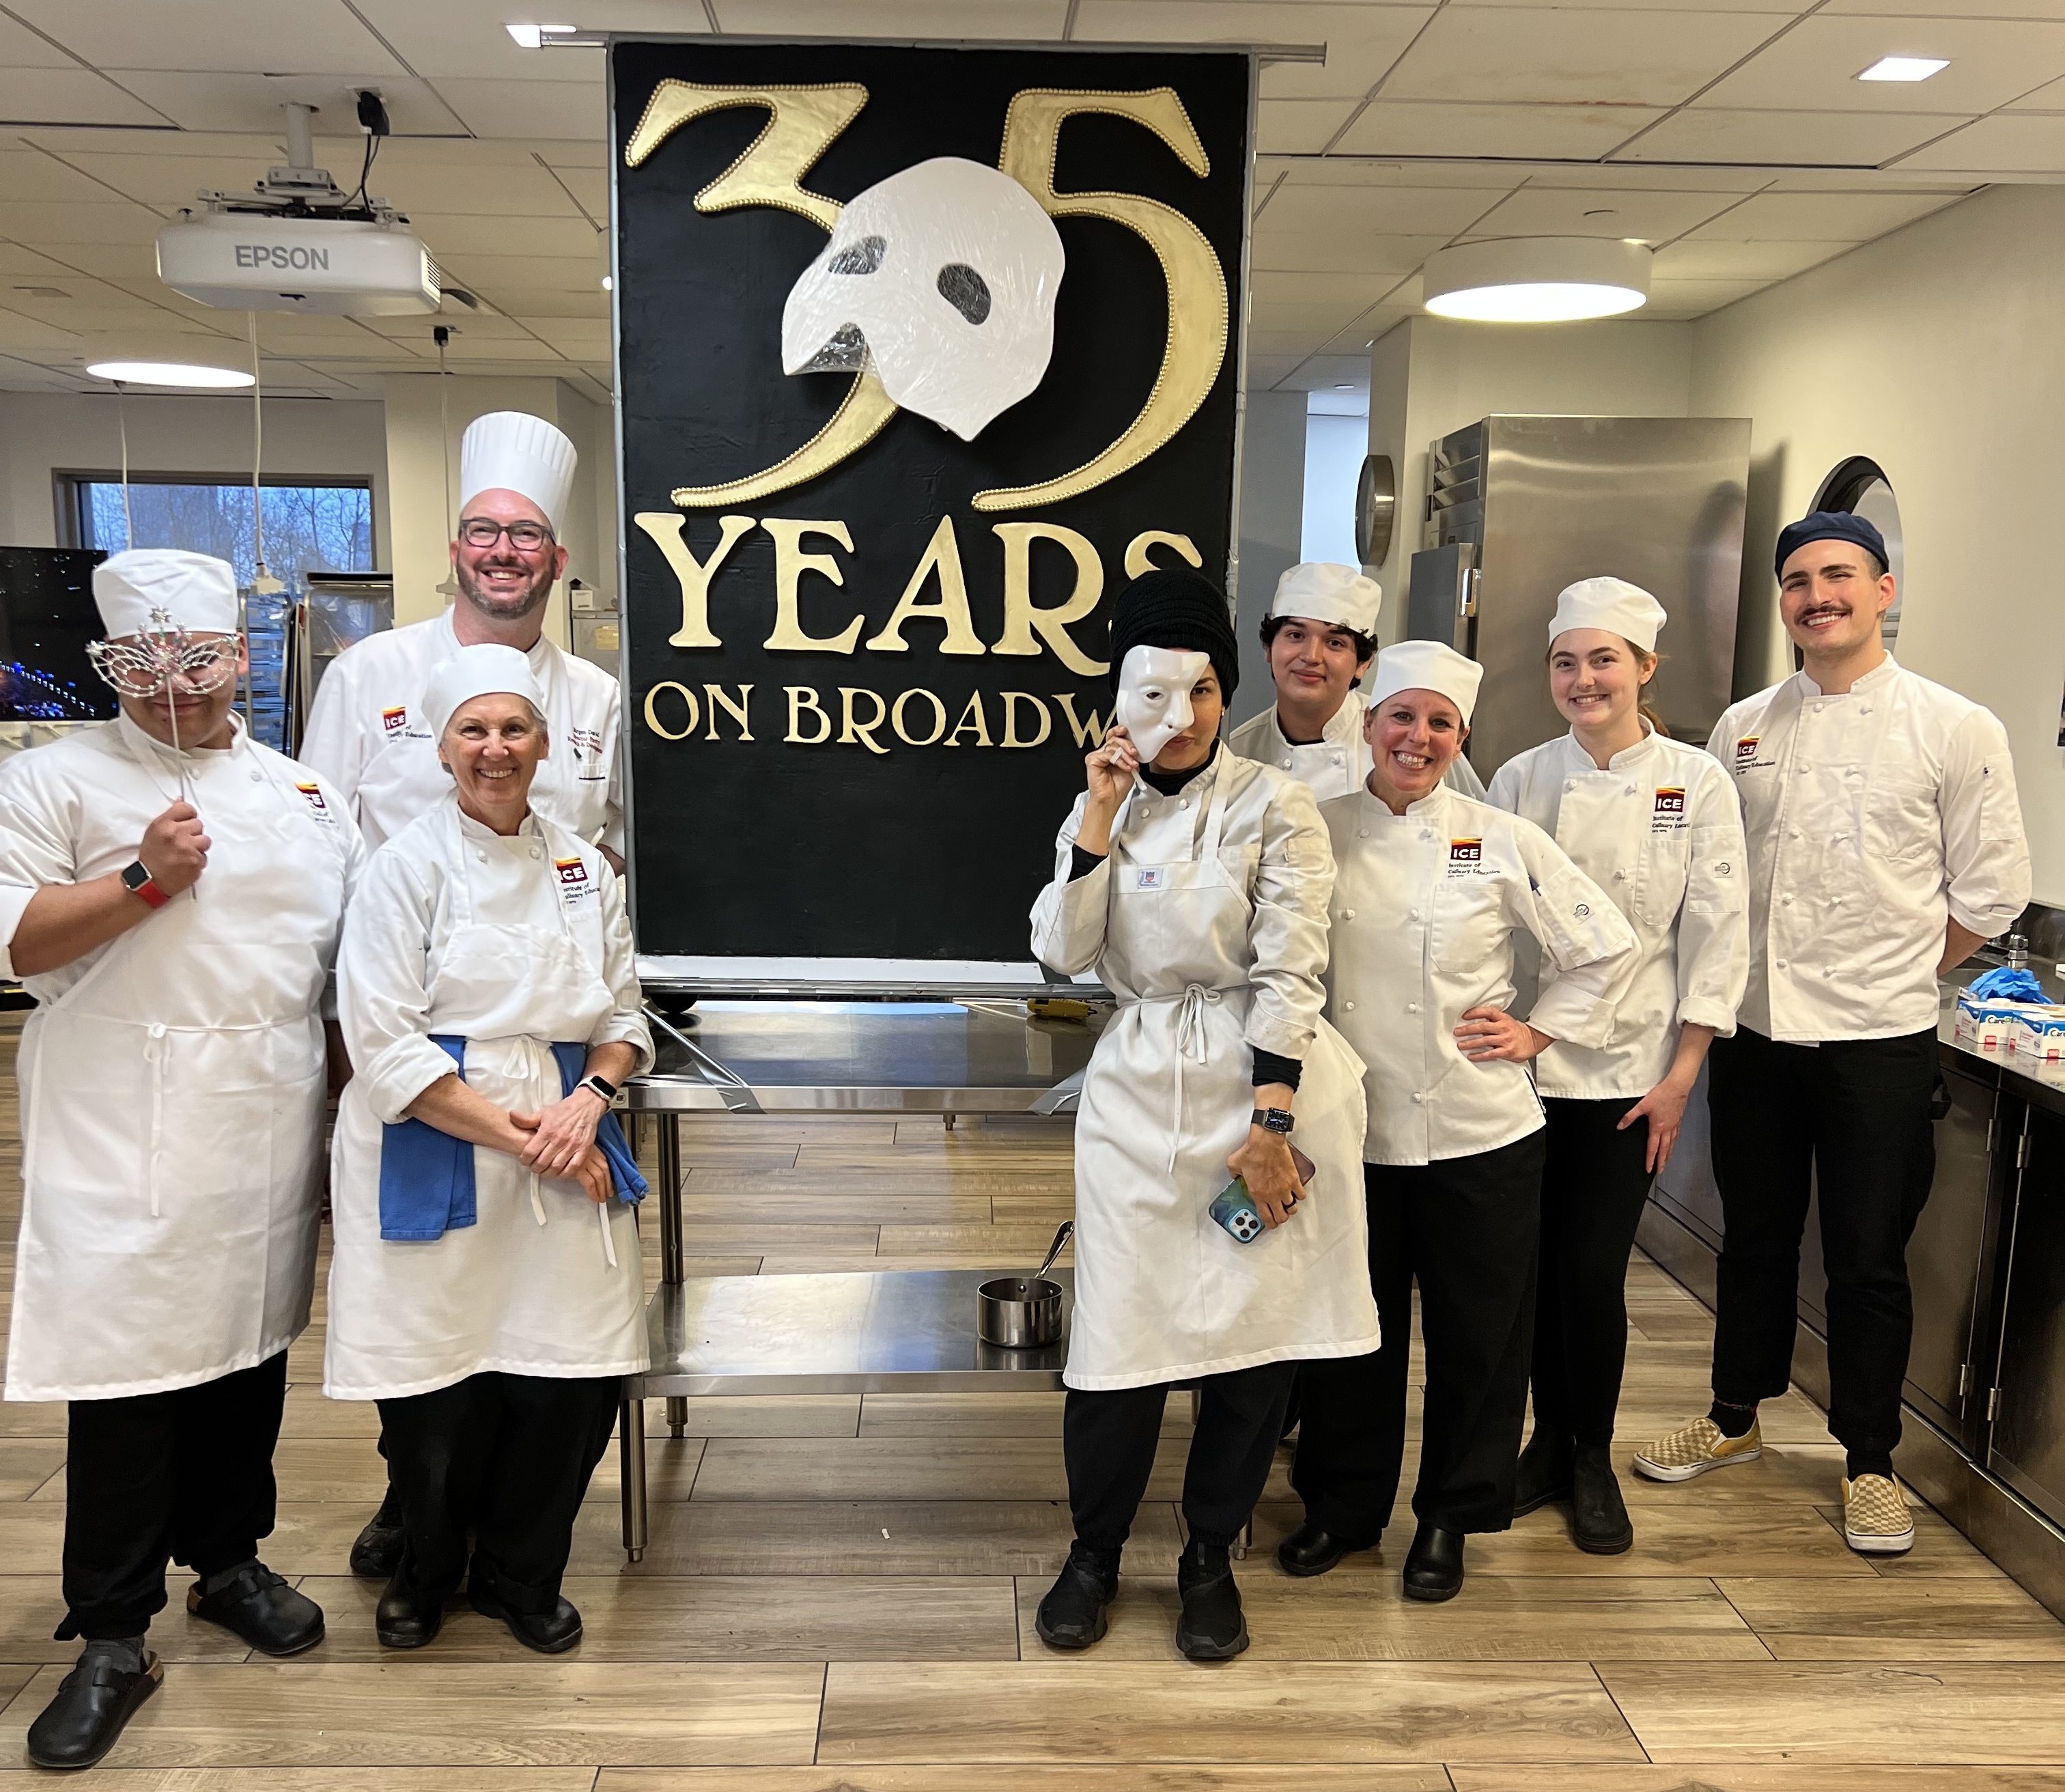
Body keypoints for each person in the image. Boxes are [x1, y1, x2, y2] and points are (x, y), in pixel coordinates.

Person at [0, 550, 360, 1769]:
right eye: (142, 666)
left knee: (245, 1357)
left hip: (266, 1114)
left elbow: (338, 973)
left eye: (198, 660)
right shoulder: (54, 779)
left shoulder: (307, 792)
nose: (173, 688)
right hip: (120, 1114)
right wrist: (147, 876)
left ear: (238, 657)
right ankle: (110, 1629)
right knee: (126, 1377)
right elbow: (14, 940)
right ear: (110, 666)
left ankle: (228, 1561)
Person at [1635, 512, 2029, 1555]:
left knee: (1866, 1257)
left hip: (1878, 1041)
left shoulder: (1955, 726)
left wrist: (1899, 968)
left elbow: (1989, 894)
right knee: (1753, 1239)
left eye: (1840, 576)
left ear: (1885, 590)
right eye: (1800, 581)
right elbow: (1714, 881)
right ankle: (1733, 1420)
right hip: (1758, 1034)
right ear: (1781, 602)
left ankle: (1868, 1459)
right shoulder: (1745, 728)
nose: (1820, 596)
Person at [1028, 568, 1378, 1662]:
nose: (1180, 721)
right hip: (1137, 1085)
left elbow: (1292, 968)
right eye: (1154, 695)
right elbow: (1060, 951)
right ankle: (1094, 1553)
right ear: (1117, 700)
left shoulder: (1276, 805)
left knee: (1248, 1339)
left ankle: (1208, 1555)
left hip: (1257, 1082)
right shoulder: (1102, 807)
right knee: (1118, 1333)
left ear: (1228, 698)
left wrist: (1270, 1125)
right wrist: (1096, 814)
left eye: (1205, 694)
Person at [300, 408, 625, 1580]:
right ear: (456, 547)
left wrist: (590, 1077)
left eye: (525, 535)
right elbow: (321, 854)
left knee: (541, 1321)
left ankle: (508, 1543)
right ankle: (416, 1503)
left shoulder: (593, 693)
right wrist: (355, 1062)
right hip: (402, 1028)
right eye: (484, 532)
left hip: (545, 1044)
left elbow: (605, 860)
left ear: (555, 558)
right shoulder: (368, 673)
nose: (503, 552)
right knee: (423, 1313)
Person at [1280, 639, 1638, 1601]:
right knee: (1351, 1333)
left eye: (1440, 723)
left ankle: (1449, 1518)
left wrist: (1538, 1031)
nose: (1419, 738)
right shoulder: (1317, 828)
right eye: (1402, 717)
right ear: (1369, 724)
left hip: (1481, 1135)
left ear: (1461, 738)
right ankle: (1343, 1509)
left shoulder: (1498, 835)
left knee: (1482, 1339)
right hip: (1350, 1127)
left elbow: (1603, 947)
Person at [324, 644, 651, 1652]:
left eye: (515, 729)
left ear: (546, 745)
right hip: (441, 1133)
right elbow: (384, 1048)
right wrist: (538, 1136)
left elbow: (626, 1013)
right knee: (437, 1385)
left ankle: (520, 1576)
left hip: (565, 1121)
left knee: (565, 1380)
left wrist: (590, 1098)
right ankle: (428, 1573)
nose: (496, 749)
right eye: (475, 730)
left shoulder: (582, 867)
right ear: (443, 748)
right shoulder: (402, 869)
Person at [1485, 578, 1748, 1552]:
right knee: (1528, 1276)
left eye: (1604, 660)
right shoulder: (1515, 780)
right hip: (1518, 1070)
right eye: (1566, 662)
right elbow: (1488, 922)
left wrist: (1683, 1076)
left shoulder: (1696, 781)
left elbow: (1718, 935)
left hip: (1633, 1078)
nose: (1584, 679)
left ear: (1645, 668)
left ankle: (1587, 1455)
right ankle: (1540, 1445)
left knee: (1591, 1275)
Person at [1228, 561, 1487, 801]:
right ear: (1268, 649)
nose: (1311, 656)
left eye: (1335, 643)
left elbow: (1471, 832)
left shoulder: (1398, 740)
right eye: (1295, 635)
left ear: (1363, 664)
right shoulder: (1235, 752)